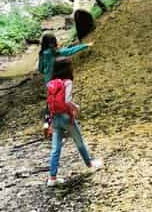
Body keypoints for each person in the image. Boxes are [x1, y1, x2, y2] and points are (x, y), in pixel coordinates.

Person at [46, 57, 103, 186]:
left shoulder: (51, 83)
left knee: (55, 148)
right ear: (68, 69)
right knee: (79, 142)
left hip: (55, 118)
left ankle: (52, 178)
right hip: (66, 117)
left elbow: (49, 103)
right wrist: (76, 108)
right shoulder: (67, 82)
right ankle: (90, 164)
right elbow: (67, 101)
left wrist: (48, 122)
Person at [38, 32, 91, 135]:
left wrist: (46, 72)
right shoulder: (57, 52)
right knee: (63, 100)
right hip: (59, 80)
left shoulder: (42, 55)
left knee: (50, 103)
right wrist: (85, 45)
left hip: (49, 82)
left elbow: (40, 69)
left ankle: (47, 125)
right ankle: (65, 123)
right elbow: (70, 51)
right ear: (54, 42)